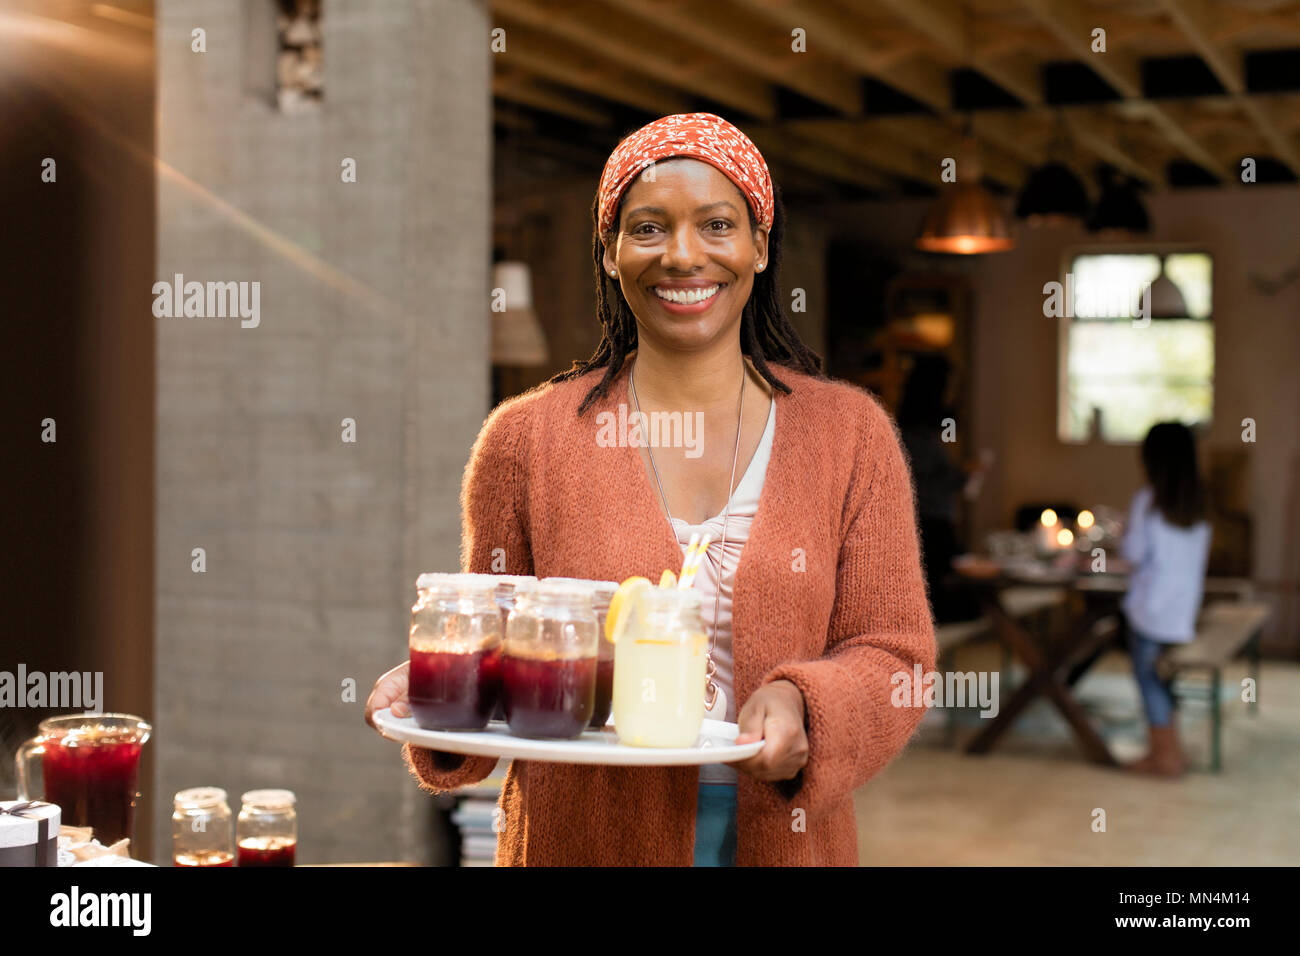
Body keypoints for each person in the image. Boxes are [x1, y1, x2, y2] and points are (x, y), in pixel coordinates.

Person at [366, 112, 935, 865]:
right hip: (579, 843)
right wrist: (442, 680)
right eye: (648, 229)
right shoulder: (526, 440)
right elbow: (493, 633)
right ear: (608, 253)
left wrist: (809, 703)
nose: (683, 255)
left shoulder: (850, 435)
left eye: (717, 224)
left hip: (783, 838)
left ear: (760, 247)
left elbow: (896, 654)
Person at [1119, 422, 1212, 777]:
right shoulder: (1198, 503)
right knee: (1164, 678)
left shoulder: (1149, 499)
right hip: (1183, 610)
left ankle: (1164, 757)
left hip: (1150, 611)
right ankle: (1172, 751)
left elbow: (1134, 554)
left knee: (1149, 680)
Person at [896, 354, 985, 623]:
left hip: (937, 524)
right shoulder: (913, 434)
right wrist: (960, 476)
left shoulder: (924, 430)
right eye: (948, 386)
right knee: (965, 602)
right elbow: (922, 481)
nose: (952, 394)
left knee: (972, 595)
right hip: (929, 526)